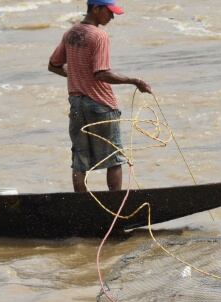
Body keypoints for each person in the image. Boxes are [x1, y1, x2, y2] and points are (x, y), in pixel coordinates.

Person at [48, 0, 152, 193]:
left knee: (80, 161)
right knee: (114, 158)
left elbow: (53, 65)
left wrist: (77, 74)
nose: (112, 17)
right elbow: (101, 73)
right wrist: (134, 81)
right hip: (100, 105)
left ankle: (82, 206)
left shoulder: (71, 33)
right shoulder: (99, 36)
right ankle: (115, 205)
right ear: (96, 9)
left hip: (77, 105)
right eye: (109, 12)